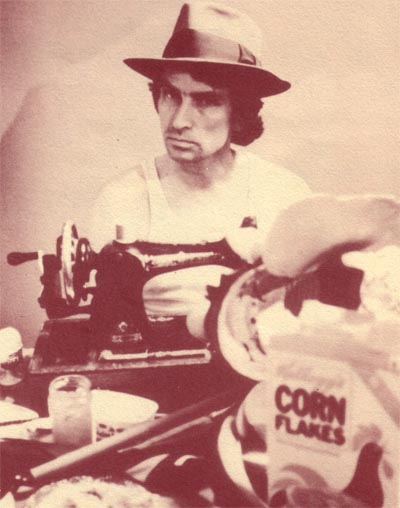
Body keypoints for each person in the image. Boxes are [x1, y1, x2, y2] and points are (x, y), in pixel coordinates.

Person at [89, 1, 311, 342]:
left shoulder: (284, 195)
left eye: (206, 101)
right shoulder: (122, 198)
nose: (178, 121)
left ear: (239, 112)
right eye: (170, 95)